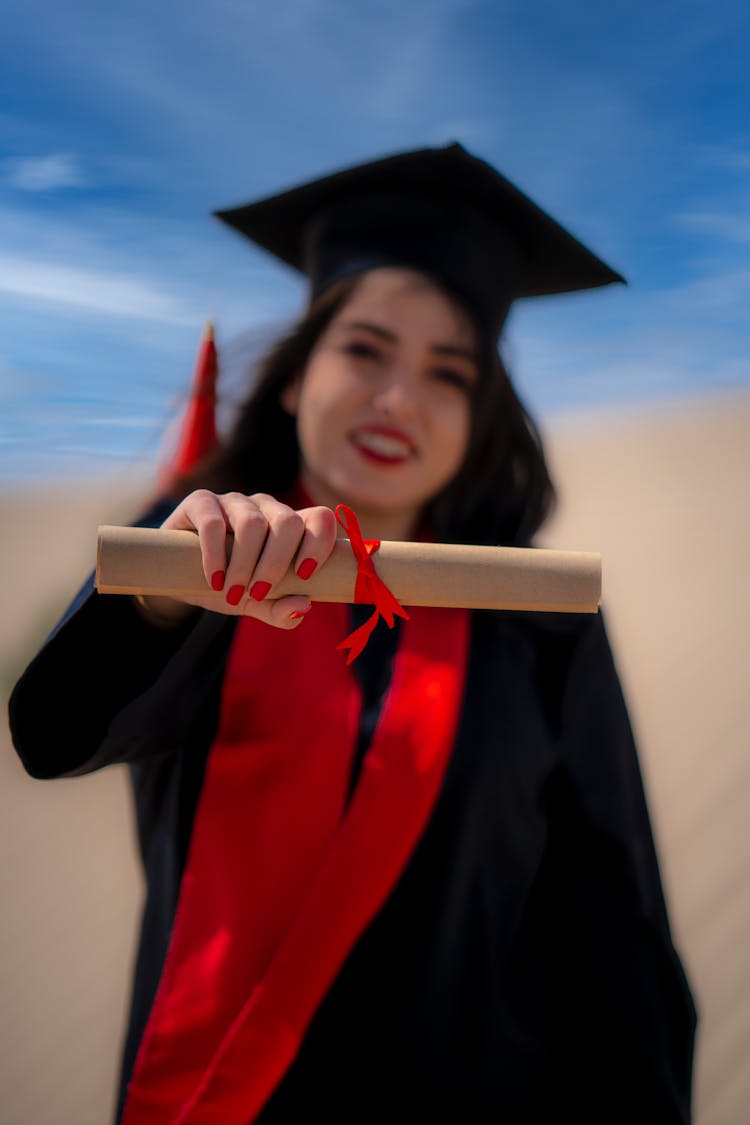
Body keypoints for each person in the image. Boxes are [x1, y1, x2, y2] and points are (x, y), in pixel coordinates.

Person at [8, 143, 696, 1123]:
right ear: (295, 378)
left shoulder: (533, 616)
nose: (400, 398)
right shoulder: (201, 558)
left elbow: (612, 911)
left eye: (449, 375)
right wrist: (167, 596)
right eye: (365, 350)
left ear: (479, 415)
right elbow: (57, 732)